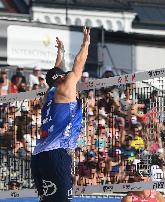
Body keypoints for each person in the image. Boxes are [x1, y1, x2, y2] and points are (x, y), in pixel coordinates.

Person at [31, 27, 91, 202]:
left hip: (39, 156)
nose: (67, 76)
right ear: (61, 79)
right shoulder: (65, 86)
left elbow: (56, 70)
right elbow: (78, 65)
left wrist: (60, 53)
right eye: (64, 76)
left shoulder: (50, 93)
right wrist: (85, 43)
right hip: (55, 153)